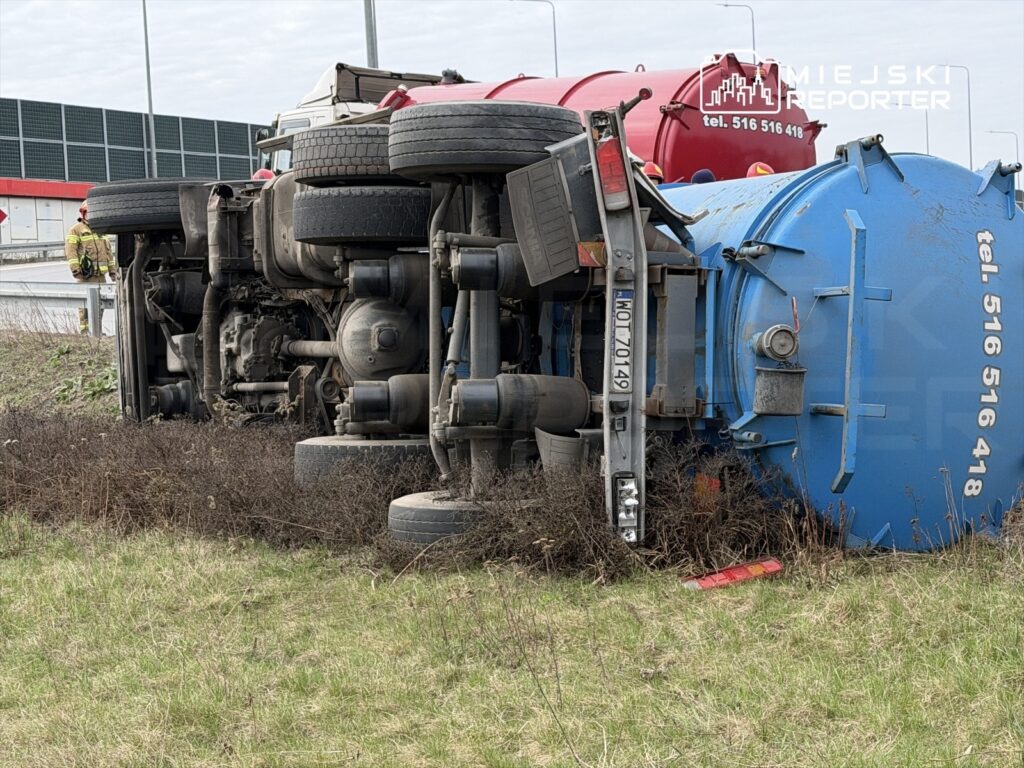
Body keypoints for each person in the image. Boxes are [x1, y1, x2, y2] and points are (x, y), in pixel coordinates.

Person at [65, 200, 115, 334]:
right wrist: (76, 269)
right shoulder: (76, 230)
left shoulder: (101, 231)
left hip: (100, 277)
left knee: (101, 304)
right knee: (85, 306)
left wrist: (113, 272)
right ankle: (85, 331)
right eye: (88, 213)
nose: (90, 215)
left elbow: (109, 253)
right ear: (83, 214)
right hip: (85, 275)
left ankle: (96, 330)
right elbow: (71, 251)